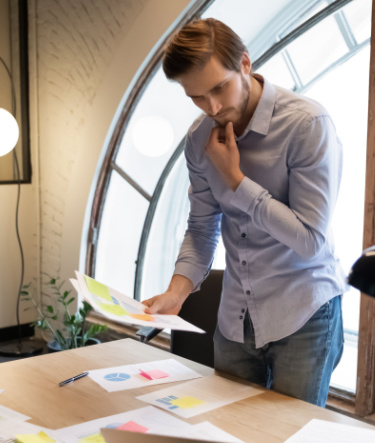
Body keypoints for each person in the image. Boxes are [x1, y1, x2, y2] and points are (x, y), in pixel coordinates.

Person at [142, 17, 346, 407]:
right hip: (236, 317)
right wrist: (176, 291)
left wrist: (236, 181)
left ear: (246, 65)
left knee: (291, 439)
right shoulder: (199, 138)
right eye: (197, 98)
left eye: (220, 87)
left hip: (303, 314)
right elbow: (202, 228)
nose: (213, 107)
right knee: (230, 433)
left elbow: (310, 241)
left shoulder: (307, 125)